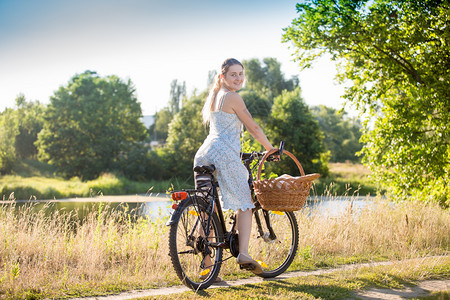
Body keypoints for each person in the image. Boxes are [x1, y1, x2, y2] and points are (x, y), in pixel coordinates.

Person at [194, 58, 277, 277]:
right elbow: (253, 127)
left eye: (241, 74)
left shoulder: (214, 96)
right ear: (223, 77)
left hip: (204, 154)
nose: (238, 78)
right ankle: (244, 254)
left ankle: (207, 267)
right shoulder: (232, 97)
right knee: (245, 204)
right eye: (233, 74)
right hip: (223, 154)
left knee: (207, 208)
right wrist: (270, 149)